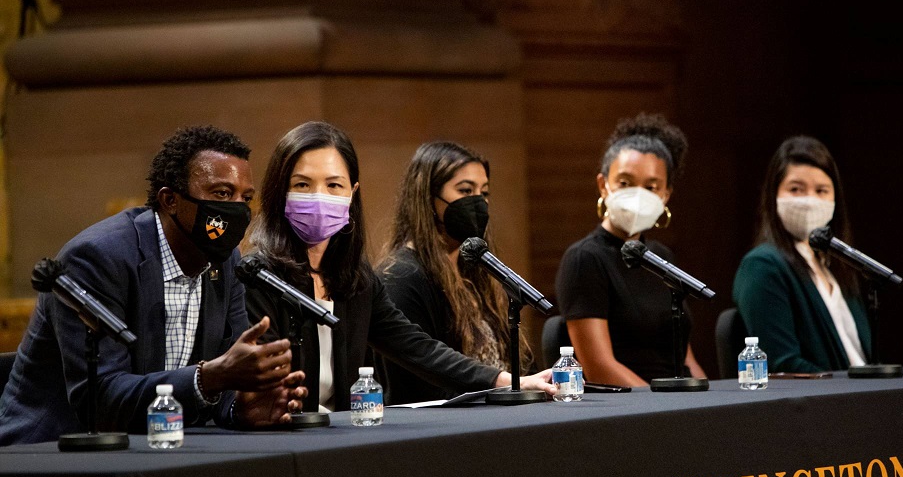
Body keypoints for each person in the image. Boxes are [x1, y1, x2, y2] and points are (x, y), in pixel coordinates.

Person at [0, 126, 306, 446]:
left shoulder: (225, 261)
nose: (237, 210)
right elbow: (100, 398)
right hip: (50, 453)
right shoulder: (99, 258)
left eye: (245, 198)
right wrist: (208, 378)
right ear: (170, 200)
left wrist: (240, 408)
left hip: (159, 446)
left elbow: (225, 374)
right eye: (221, 194)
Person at [244, 122, 554, 412]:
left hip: (339, 438)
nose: (320, 197)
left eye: (334, 185)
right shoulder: (257, 276)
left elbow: (417, 348)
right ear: (279, 192)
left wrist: (508, 381)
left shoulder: (357, 280)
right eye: (302, 184)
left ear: (352, 194)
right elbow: (264, 381)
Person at [555, 113, 707, 386]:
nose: (638, 194)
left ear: (665, 195)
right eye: (625, 183)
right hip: (631, 410)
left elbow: (685, 358)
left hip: (677, 403)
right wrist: (662, 409)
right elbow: (599, 367)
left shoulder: (662, 257)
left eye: (651, 187)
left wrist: (710, 404)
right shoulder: (585, 259)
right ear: (604, 185)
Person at [376, 142, 533, 404]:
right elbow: (423, 377)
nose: (478, 202)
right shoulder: (402, 277)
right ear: (428, 196)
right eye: (465, 190)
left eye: (483, 193)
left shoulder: (476, 269)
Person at [732, 136, 870, 372]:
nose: (809, 200)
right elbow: (782, 363)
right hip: (823, 402)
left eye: (821, 190)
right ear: (773, 194)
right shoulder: (763, 265)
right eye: (796, 189)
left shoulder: (838, 265)